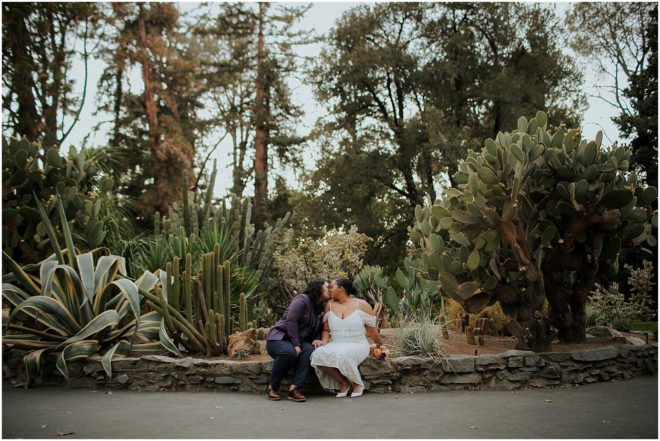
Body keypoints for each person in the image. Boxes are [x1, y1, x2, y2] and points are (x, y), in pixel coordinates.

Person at [310, 277, 383, 398]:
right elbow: (326, 329)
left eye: (331, 287)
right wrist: (323, 342)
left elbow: (372, 331)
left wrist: (381, 346)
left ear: (341, 288)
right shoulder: (329, 305)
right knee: (317, 354)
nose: (329, 290)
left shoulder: (362, 305)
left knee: (343, 354)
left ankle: (358, 384)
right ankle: (344, 382)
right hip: (336, 343)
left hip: (358, 344)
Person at [265, 278, 330, 402]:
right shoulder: (302, 299)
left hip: (299, 341)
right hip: (280, 338)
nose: (330, 290)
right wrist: (295, 344)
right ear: (319, 288)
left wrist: (316, 339)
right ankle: (272, 387)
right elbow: (291, 321)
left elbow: (319, 329)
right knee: (289, 352)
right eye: (327, 287)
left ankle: (294, 388)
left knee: (310, 351)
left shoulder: (319, 308)